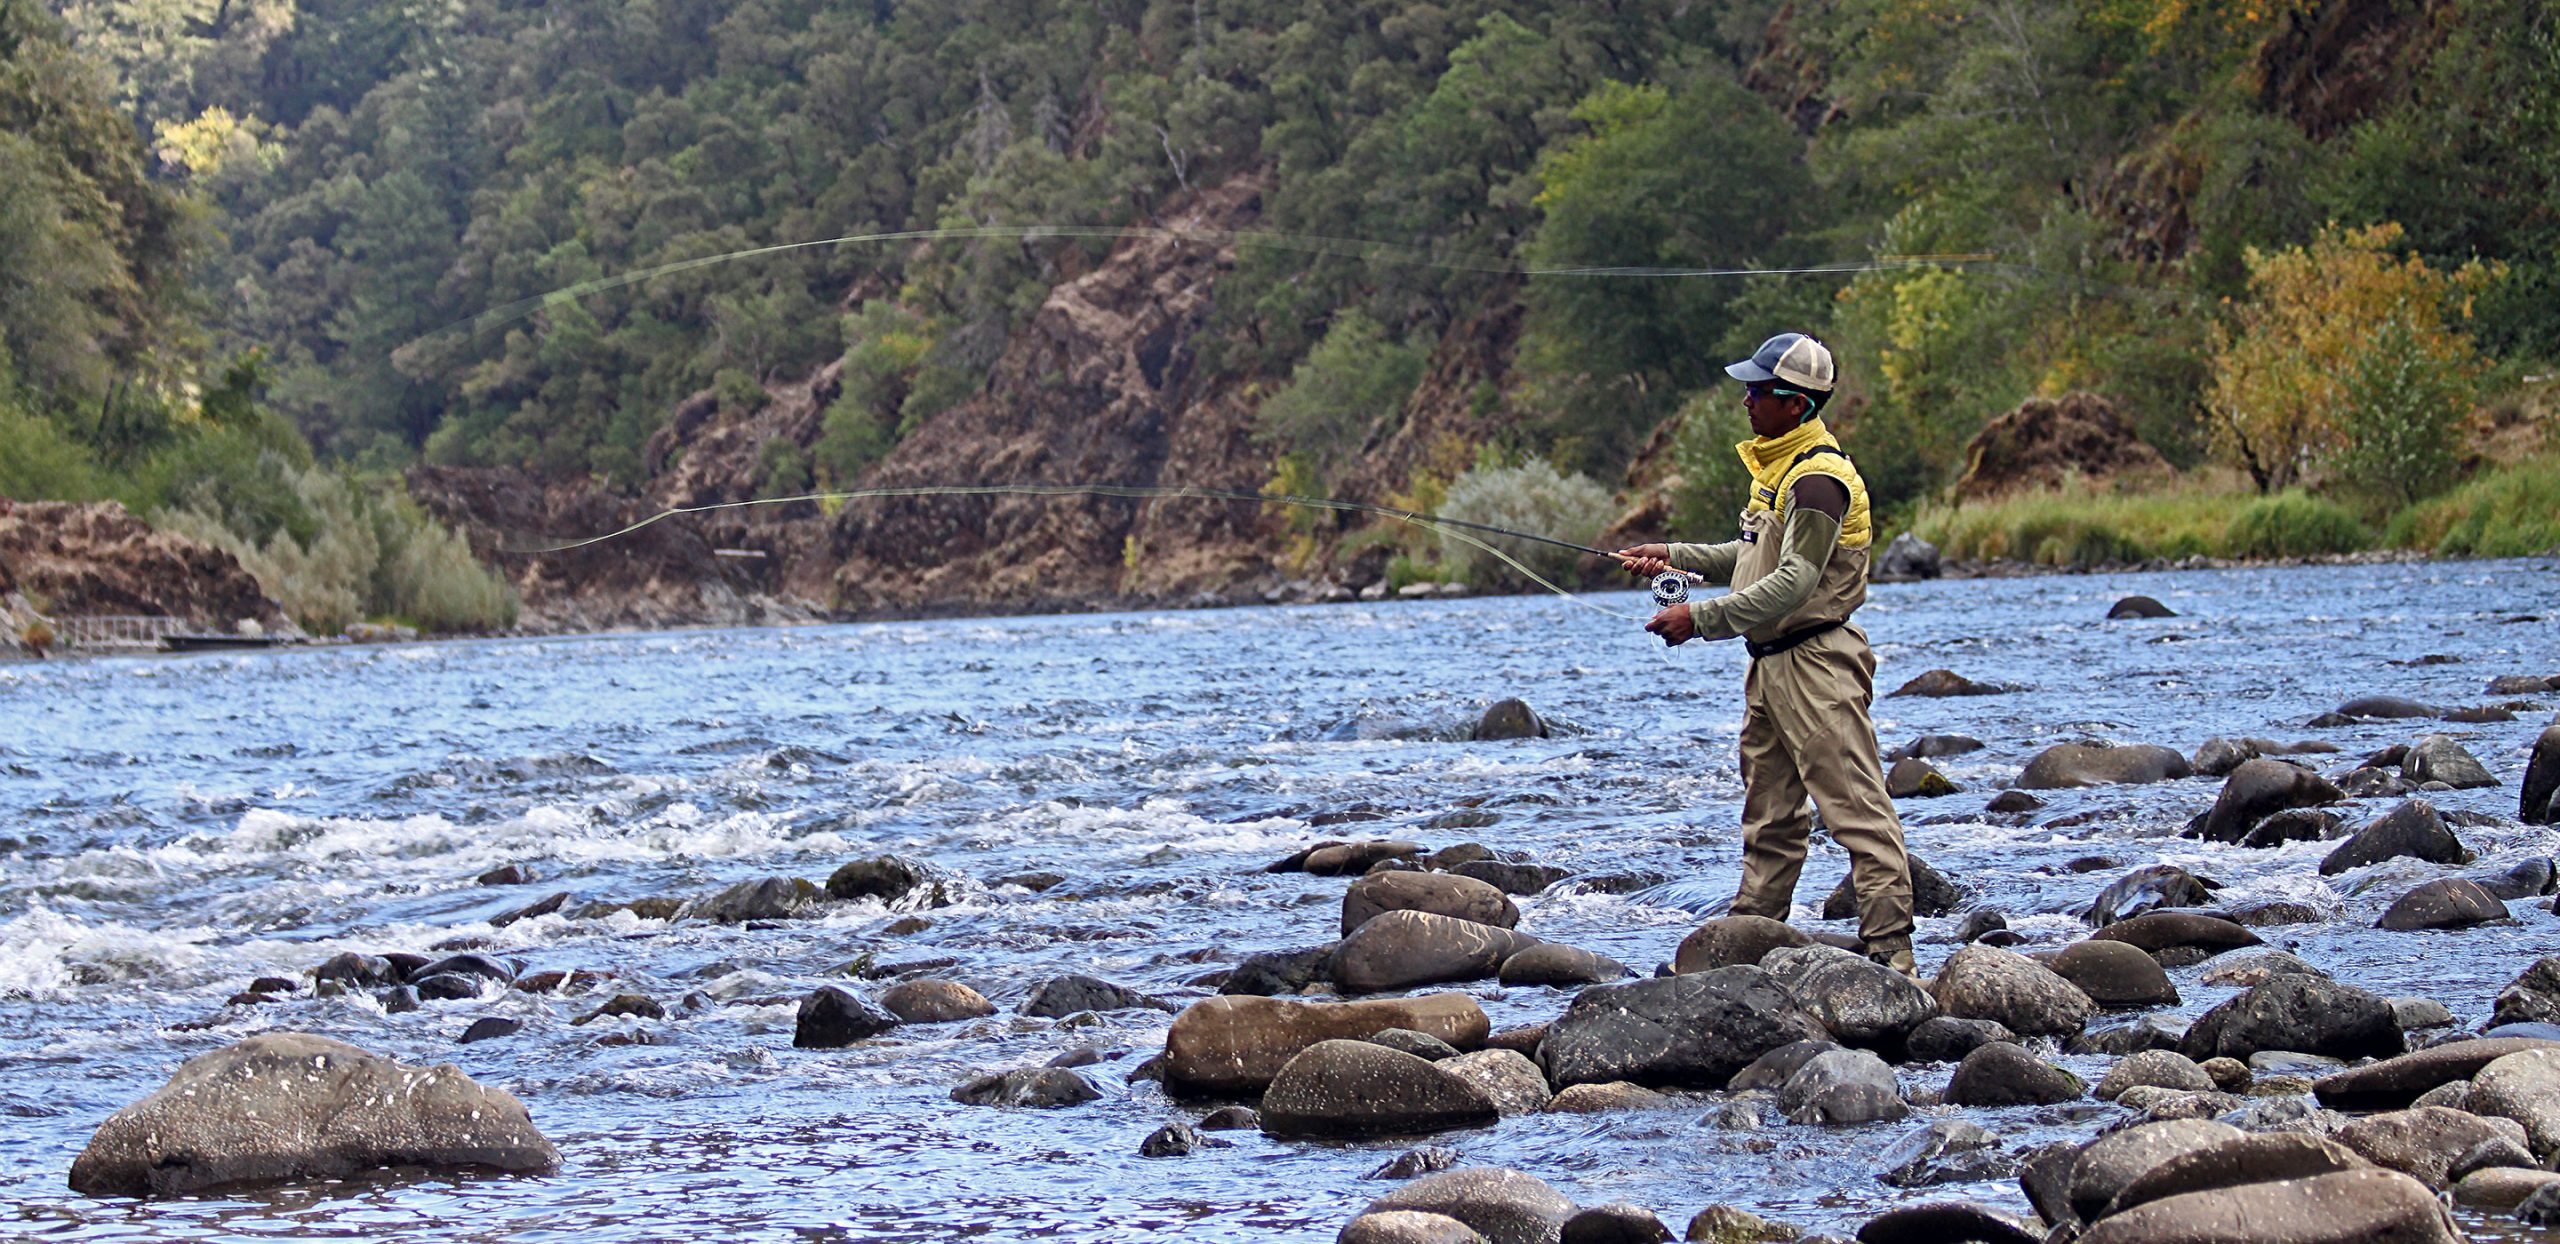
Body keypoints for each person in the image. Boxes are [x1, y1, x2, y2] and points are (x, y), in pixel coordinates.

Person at [1615, 332, 1916, 975]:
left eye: (1758, 391)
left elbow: (1795, 582)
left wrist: (1699, 620)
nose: (1746, 400)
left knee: (1856, 810)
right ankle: (1755, 933)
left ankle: (1893, 955)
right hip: (1771, 662)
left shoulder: (1820, 481)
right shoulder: (1777, 473)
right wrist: (1670, 554)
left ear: (1797, 403)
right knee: (1770, 810)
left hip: (1817, 664)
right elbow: (1747, 557)